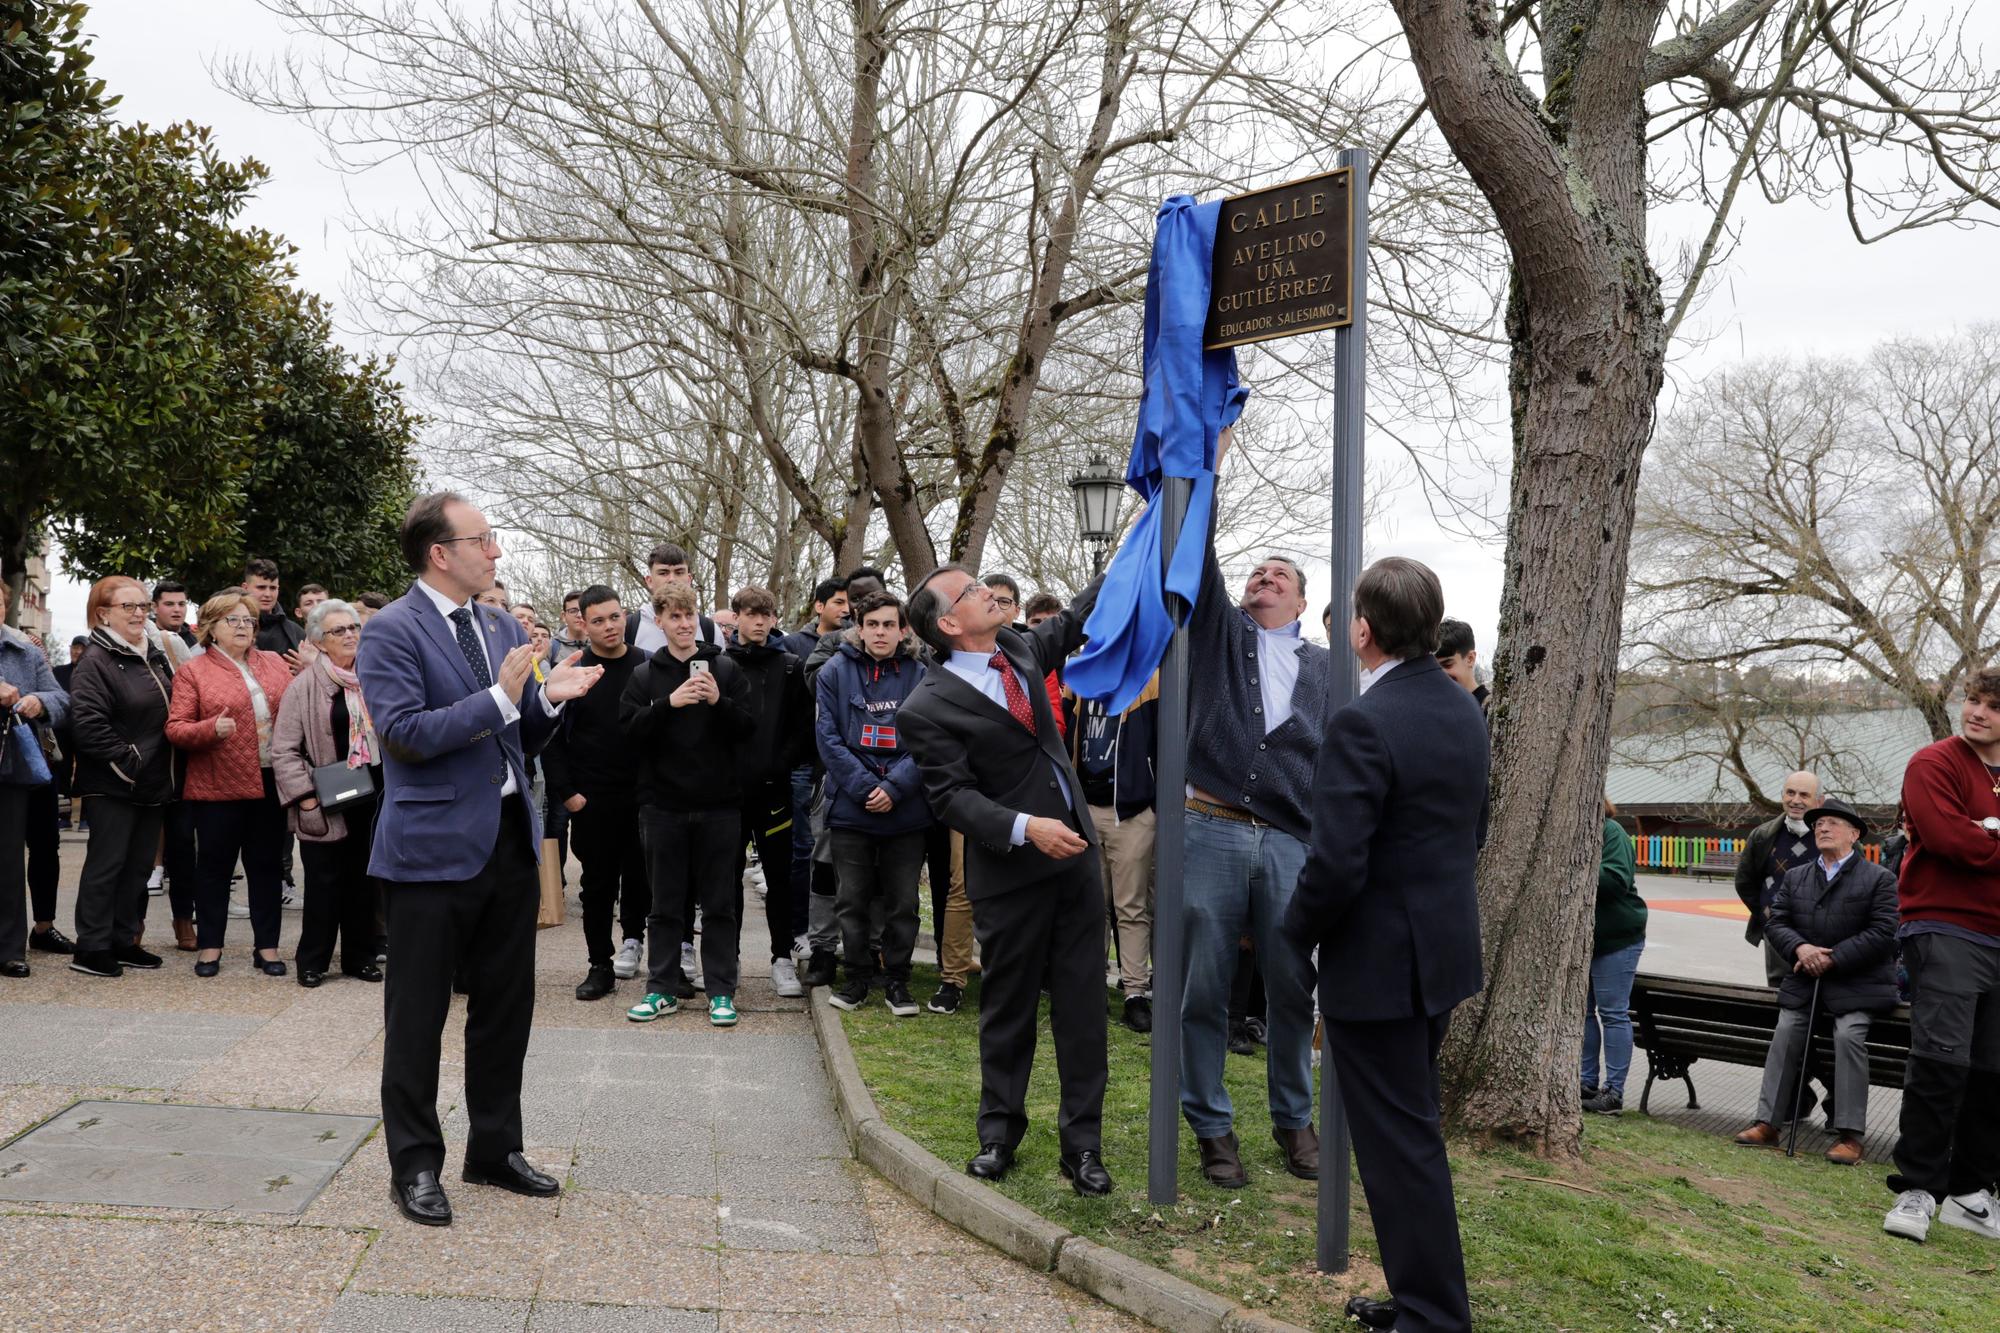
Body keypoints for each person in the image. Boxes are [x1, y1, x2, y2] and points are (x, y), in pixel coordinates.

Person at [358, 492, 602, 1228]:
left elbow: (511, 736)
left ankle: (494, 1149)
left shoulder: (496, 622)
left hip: (505, 840)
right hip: (429, 851)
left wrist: (546, 703)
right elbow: (404, 734)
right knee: (418, 1015)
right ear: (441, 552)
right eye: (483, 539)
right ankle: (416, 1165)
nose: (494, 552)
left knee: (505, 1009)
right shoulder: (390, 630)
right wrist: (502, 695)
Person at [1283, 555, 1486, 1333]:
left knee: (1401, 1146)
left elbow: (1337, 862)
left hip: (1380, 964)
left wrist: (1291, 932)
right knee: (1408, 1135)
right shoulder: (1462, 705)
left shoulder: (1363, 719)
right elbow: (1473, 831)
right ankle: (1420, 1297)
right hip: (1438, 952)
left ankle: (1434, 1315)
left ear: (1362, 630)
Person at [900, 565, 1113, 1196]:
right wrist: (1026, 827)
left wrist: (1139, 538)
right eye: (971, 592)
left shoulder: (1019, 647)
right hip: (1011, 873)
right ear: (948, 623)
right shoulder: (925, 706)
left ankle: (1083, 1148)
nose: (990, 594)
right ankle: (998, 1135)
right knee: (1009, 1010)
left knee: (1082, 1011)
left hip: (1075, 862)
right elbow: (952, 798)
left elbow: (1075, 618)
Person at [1178, 434, 1329, 1189]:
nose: (1265, 578)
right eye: (1257, 573)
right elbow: (1195, 553)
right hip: (1209, 824)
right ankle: (1211, 1125)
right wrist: (1210, 464)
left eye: (1281, 575)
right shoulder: (1221, 633)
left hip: (1291, 840)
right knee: (1202, 982)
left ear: (1302, 601)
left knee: (1291, 983)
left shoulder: (1330, 671)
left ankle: (1293, 1121)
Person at [1882, 668, 2000, 1244]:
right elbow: (1951, 841)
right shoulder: (1935, 763)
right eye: (1973, 701)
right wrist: (1976, 833)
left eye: (1992, 707)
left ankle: (1972, 1193)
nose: (1977, 712)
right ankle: (1918, 1190)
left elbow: (1973, 841)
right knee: (1941, 1063)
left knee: (1992, 1073)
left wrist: (1989, 831)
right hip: (1949, 927)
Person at [1732, 798, 1896, 1165]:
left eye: (1832, 823)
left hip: (1858, 983)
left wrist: (1833, 957)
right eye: (1819, 823)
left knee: (1849, 1035)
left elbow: (1884, 932)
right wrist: (1802, 949)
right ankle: (1768, 1122)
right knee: (1787, 1028)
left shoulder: (1879, 879)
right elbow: (1776, 922)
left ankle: (1850, 1135)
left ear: (1854, 834)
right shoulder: (1797, 876)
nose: (1822, 828)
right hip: (1806, 980)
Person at [620, 583, 753, 1027]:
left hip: (719, 807)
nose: (682, 624)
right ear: (658, 621)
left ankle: (720, 991)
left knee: (719, 904)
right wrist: (667, 704)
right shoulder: (644, 675)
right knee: (664, 906)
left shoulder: (726, 669)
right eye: (673, 616)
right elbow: (628, 734)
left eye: (688, 615)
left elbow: (749, 728)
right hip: (662, 807)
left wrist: (718, 701)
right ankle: (661, 989)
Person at [167, 588, 295, 978]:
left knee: (267, 867)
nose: (243, 627)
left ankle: (267, 948)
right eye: (233, 620)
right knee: (214, 869)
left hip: (271, 781)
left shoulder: (273, 662)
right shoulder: (194, 670)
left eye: (248, 621)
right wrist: (210, 729)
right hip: (217, 786)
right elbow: (175, 727)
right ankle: (210, 947)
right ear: (211, 628)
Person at [815, 592, 930, 1015]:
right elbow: (828, 739)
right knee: (852, 901)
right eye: (872, 625)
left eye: (889, 625)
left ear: (903, 630)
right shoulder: (834, 671)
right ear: (859, 629)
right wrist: (866, 788)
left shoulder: (921, 674)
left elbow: (927, 741)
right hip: (851, 808)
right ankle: (857, 979)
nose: (880, 632)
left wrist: (896, 787)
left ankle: (898, 981)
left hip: (906, 810)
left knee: (903, 903)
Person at [66, 576, 179, 978]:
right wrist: (128, 761)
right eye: (127, 607)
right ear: (103, 613)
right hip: (113, 783)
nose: (138, 614)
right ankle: (91, 946)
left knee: (137, 868)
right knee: (106, 865)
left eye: (142, 606)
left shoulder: (151, 653)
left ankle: (123, 939)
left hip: (152, 782)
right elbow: (88, 724)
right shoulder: (96, 660)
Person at [541, 586, 649, 1001]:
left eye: (614, 617)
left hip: (642, 796)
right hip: (591, 798)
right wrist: (568, 794)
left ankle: (636, 945)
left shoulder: (646, 664)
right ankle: (599, 964)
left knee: (642, 882)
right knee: (598, 885)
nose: (608, 626)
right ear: (582, 623)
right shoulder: (573, 670)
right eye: (598, 620)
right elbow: (550, 738)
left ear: (626, 617)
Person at [271, 600, 385, 988]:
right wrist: (305, 797)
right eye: (340, 631)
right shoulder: (304, 686)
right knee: (323, 884)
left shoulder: (376, 678)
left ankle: (361, 957)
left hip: (374, 797)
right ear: (319, 642)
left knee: (365, 882)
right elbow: (283, 749)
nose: (351, 635)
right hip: (325, 801)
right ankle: (313, 961)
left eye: (354, 627)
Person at [726, 586, 813, 999]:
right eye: (752, 614)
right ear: (736, 616)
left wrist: (781, 764)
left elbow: (803, 729)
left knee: (780, 879)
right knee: (726, 881)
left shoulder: (791, 666)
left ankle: (781, 958)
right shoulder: (719, 664)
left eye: (767, 614)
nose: (760, 621)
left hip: (775, 792)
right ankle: (729, 958)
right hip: (727, 793)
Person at [1069, 670, 1159, 1033]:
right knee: (1091, 906)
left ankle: (1135, 992)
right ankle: (1091, 988)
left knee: (1131, 906)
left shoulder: (1149, 677)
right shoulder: (1081, 675)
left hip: (1132, 810)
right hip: (1087, 806)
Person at [1, 584, 67, 979]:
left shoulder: (24, 647)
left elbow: (62, 698)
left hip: (10, 766)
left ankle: (10, 948)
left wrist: (40, 702)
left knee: (9, 859)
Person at [1581, 799, 1646, 1114]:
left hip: (1617, 937)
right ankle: (1586, 1082)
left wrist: (1576, 866)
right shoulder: (1575, 830)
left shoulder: (1611, 830)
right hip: (1586, 941)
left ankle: (1614, 1091)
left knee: (1612, 1013)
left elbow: (1616, 879)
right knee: (1583, 1013)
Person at [1734, 771, 1823, 986]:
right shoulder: (1763, 835)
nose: (1795, 800)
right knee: (1781, 994)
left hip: (1823, 935)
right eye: (1790, 793)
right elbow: (1745, 882)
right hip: (1778, 935)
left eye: (1804, 795)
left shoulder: (1834, 834)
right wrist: (1768, 917)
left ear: (1819, 801)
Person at [629, 544, 715, 653]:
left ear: (689, 579)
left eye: (679, 572)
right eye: (663, 573)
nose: (672, 579)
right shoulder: (630, 628)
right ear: (649, 581)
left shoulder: (709, 629)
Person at [245, 558, 309, 672]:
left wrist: (306, 671)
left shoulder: (295, 632)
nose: (268, 594)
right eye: (261, 587)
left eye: (273, 588)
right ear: (245, 588)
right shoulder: (229, 627)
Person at [1433, 617, 1487, 709]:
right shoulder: (1437, 708)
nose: (1440, 674)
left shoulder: (1489, 709)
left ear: (1470, 659)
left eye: (1447, 665)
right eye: (1434, 667)